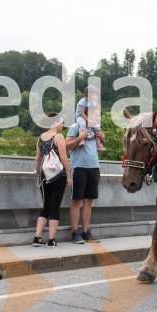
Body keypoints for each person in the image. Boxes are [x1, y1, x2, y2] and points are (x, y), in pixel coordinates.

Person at [33, 113, 71, 248]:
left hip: (44, 176)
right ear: (55, 123)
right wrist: (68, 175)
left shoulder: (40, 138)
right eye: (61, 122)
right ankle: (51, 239)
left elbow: (38, 158)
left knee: (46, 207)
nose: (62, 125)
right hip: (57, 176)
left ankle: (37, 237)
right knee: (55, 207)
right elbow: (64, 158)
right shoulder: (58, 137)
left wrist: (37, 171)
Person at [66, 119, 105, 244]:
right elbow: (66, 146)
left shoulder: (95, 127)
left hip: (94, 167)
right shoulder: (76, 126)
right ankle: (75, 232)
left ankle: (86, 231)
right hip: (79, 167)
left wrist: (102, 137)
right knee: (77, 200)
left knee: (88, 201)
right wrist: (79, 138)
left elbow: (100, 141)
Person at [76, 86, 106, 152]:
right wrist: (88, 120)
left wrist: (103, 137)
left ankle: (99, 144)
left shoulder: (93, 102)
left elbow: (96, 109)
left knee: (97, 127)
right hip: (80, 116)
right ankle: (81, 140)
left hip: (88, 117)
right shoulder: (83, 101)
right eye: (94, 95)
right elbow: (82, 113)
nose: (95, 97)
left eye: (96, 95)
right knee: (83, 124)